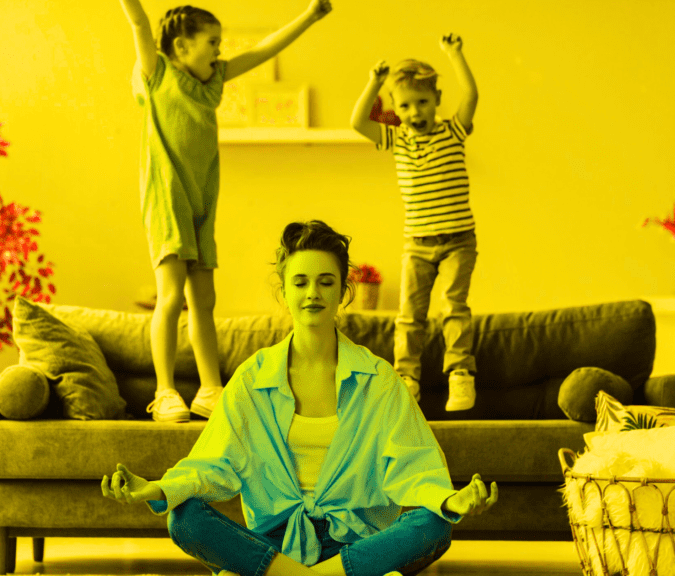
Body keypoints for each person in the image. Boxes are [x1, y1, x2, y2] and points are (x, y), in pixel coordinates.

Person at [102, 221, 497, 576]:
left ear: (344, 291)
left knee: (434, 525)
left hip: (354, 545)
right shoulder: (253, 378)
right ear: (285, 289)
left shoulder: (378, 379)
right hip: (275, 545)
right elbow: (213, 463)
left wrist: (451, 499)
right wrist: (156, 489)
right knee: (183, 517)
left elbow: (414, 465)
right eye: (301, 282)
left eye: (326, 282)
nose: (313, 293)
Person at [117, 0, 334, 423]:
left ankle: (209, 388)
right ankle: (164, 391)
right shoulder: (158, 73)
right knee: (171, 295)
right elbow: (140, 23)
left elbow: (263, 52)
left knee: (205, 300)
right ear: (181, 46)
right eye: (212, 42)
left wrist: (309, 16)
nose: (220, 49)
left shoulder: (212, 81)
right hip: (166, 199)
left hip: (201, 203)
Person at [349, 34, 481, 412]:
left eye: (422, 102)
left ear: (437, 100)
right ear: (396, 109)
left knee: (454, 305)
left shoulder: (452, 131)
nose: (415, 112)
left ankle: (460, 374)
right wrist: (374, 82)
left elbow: (471, 95)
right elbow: (357, 121)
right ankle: (407, 378)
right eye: (405, 106)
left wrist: (455, 54)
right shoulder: (396, 139)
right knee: (410, 315)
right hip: (416, 244)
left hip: (458, 240)